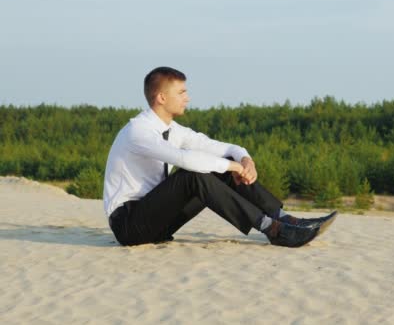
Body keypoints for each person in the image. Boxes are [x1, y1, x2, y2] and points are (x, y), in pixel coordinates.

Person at [103, 66, 336, 248]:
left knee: (214, 168)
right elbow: (185, 160)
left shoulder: (173, 129)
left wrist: (244, 159)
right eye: (181, 92)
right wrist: (230, 166)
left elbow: (216, 146)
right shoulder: (138, 131)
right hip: (129, 225)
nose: (188, 98)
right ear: (162, 98)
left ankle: (285, 219)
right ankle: (273, 229)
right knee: (193, 175)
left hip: (157, 223)